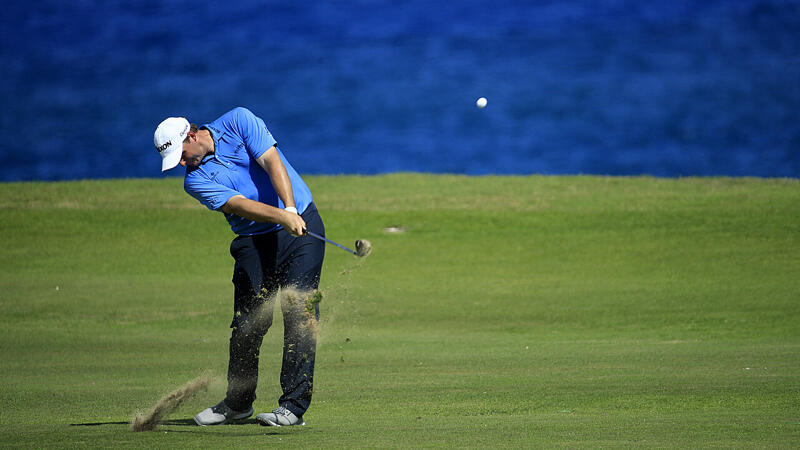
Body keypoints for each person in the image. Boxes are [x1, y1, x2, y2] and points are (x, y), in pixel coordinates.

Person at [153, 107, 325, 427]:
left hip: (301, 226)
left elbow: (271, 161)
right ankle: (237, 403)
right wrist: (280, 217)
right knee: (248, 325)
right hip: (253, 241)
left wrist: (289, 209)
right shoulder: (195, 181)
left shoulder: (238, 121)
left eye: (181, 153)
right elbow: (239, 205)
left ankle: (293, 407)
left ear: (191, 135)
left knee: (300, 312)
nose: (180, 162)